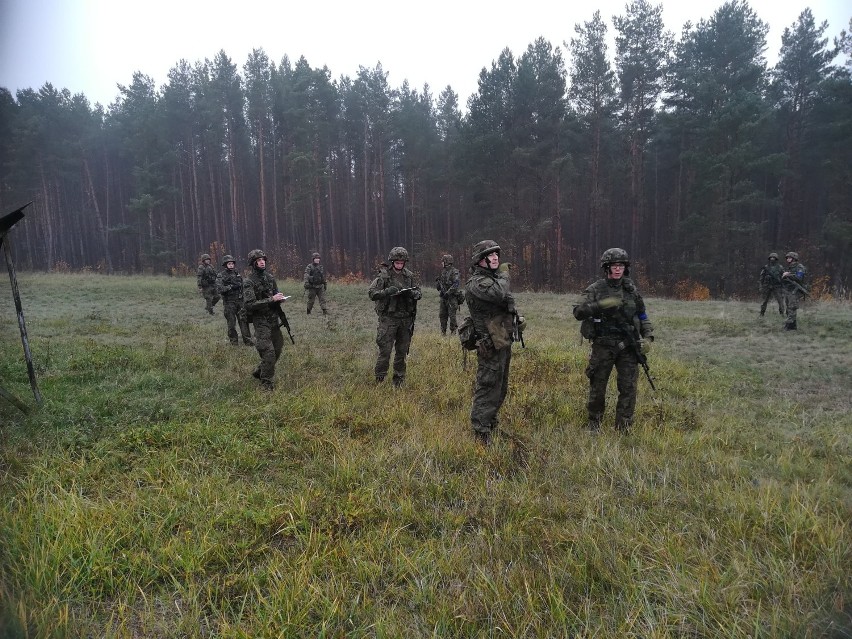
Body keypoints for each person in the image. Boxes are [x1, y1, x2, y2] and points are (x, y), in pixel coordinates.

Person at [572, 248, 654, 433]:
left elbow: (643, 315)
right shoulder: (595, 289)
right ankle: (594, 424)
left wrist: (648, 338)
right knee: (598, 387)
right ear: (606, 267)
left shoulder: (631, 290)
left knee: (628, 388)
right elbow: (578, 312)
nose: (618, 269)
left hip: (628, 347)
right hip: (603, 345)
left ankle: (624, 427)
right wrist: (599, 305)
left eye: (621, 266)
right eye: (614, 266)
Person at [465, 240, 524, 446]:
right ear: (480, 261)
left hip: (501, 340)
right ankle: (480, 431)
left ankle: (491, 423)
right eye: (490, 255)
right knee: (488, 386)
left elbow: (505, 301)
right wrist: (504, 274)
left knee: (501, 386)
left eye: (496, 254)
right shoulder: (477, 282)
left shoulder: (494, 279)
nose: (496, 258)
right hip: (489, 345)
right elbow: (499, 293)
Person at [368, 246, 422, 387]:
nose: (399, 265)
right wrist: (387, 291)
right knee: (385, 350)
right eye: (397, 262)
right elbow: (372, 294)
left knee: (402, 351)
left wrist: (412, 294)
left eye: (401, 262)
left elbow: (419, 293)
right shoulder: (384, 275)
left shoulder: (409, 276)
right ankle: (380, 378)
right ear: (392, 262)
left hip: (405, 319)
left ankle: (398, 381)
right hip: (389, 319)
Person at [243, 249, 287, 391]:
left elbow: (274, 295)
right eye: (258, 260)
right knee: (268, 353)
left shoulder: (270, 278)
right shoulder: (249, 282)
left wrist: (279, 298)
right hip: (261, 321)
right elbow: (249, 305)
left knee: (278, 348)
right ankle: (266, 384)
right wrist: (271, 299)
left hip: (274, 320)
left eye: (263, 260)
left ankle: (259, 371)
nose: (262, 262)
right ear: (253, 263)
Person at [216, 254, 253, 346]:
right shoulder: (221, 275)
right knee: (231, 323)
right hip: (229, 303)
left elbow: (242, 286)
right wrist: (231, 287)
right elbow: (219, 289)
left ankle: (248, 341)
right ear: (225, 265)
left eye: (232, 263)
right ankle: (234, 342)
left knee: (243, 321)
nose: (231, 265)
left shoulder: (237, 274)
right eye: (229, 264)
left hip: (240, 301)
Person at [435, 254, 463, 335]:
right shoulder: (443, 272)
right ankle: (443, 332)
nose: (442, 263)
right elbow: (438, 288)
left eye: (443, 262)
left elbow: (456, 284)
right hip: (443, 298)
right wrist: (438, 281)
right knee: (442, 315)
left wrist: (448, 293)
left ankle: (453, 332)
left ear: (446, 262)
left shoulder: (455, 272)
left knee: (452, 316)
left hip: (452, 298)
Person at [781, 251, 807, 331]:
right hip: (788, 290)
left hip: (795, 291)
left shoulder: (800, 267)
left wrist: (788, 275)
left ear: (794, 258)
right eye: (787, 258)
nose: (788, 259)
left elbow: (799, 278)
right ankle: (793, 326)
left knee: (792, 308)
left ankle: (788, 326)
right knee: (788, 308)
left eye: (790, 258)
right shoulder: (789, 268)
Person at [759, 252, 785, 317]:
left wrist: (783, 285)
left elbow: (784, 277)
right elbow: (761, 278)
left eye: (774, 258)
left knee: (780, 301)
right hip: (767, 286)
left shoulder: (780, 267)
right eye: (771, 257)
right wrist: (761, 286)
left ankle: (782, 314)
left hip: (777, 286)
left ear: (776, 259)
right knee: (764, 301)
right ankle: (762, 313)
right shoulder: (766, 267)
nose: (772, 259)